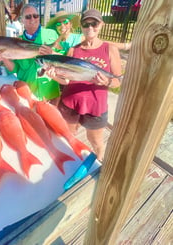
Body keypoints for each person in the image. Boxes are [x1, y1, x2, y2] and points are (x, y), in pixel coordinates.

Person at [46, 8, 122, 162]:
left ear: (101, 25)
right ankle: (71, 160)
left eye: (94, 23)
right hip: (69, 103)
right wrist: (54, 77)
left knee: (96, 141)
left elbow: (117, 81)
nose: (90, 28)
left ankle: (101, 163)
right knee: (68, 135)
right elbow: (66, 80)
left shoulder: (110, 49)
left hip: (96, 107)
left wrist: (106, 81)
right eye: (86, 24)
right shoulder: (73, 50)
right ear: (81, 26)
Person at [0, 4, 60, 104]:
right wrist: (4, 57)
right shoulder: (16, 42)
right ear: (21, 20)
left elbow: (64, 59)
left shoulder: (51, 34)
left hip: (50, 92)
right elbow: (14, 69)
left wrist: (52, 53)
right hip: (28, 94)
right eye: (28, 17)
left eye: (35, 16)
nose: (32, 19)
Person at [46, 10, 132, 54]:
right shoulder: (52, 39)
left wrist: (126, 46)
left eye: (65, 22)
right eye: (58, 23)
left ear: (71, 24)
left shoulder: (77, 38)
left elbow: (102, 44)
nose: (62, 26)